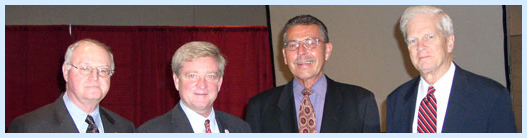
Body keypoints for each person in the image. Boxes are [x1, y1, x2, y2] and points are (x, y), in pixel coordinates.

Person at [387, 6, 517, 133]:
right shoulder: (397, 100)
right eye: (413, 40)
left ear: (450, 43)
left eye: (429, 37)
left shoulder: (491, 97)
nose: (420, 46)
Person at [245, 15, 380, 133]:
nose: (301, 52)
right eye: (293, 45)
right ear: (285, 56)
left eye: (310, 43)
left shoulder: (361, 102)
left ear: (327, 50)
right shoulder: (260, 108)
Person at [8, 39, 135, 133]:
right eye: (85, 68)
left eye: (103, 70)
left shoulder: (124, 128)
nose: (95, 76)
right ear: (66, 72)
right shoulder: (29, 127)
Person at [137, 41, 251, 133]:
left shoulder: (240, 129)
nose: (202, 85)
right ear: (176, 81)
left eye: (210, 76)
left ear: (220, 83)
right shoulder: (150, 132)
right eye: (192, 76)